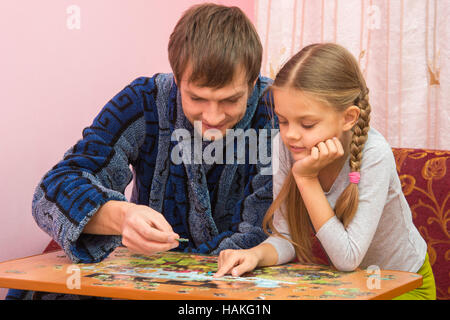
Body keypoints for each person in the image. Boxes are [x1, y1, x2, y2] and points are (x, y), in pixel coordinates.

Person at [6, 3, 276, 300]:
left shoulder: (277, 111)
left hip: (244, 281)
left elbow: (272, 228)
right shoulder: (145, 101)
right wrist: (121, 217)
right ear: (177, 79)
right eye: (197, 98)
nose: (212, 116)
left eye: (229, 100)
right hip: (145, 280)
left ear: (252, 83)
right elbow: (52, 191)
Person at [214, 43, 436, 300]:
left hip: (402, 285)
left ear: (348, 118)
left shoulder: (374, 154)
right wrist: (255, 254)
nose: (291, 134)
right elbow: (286, 238)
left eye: (307, 124)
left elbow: (348, 257)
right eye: (283, 120)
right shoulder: (285, 146)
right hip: (349, 289)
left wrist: (306, 179)